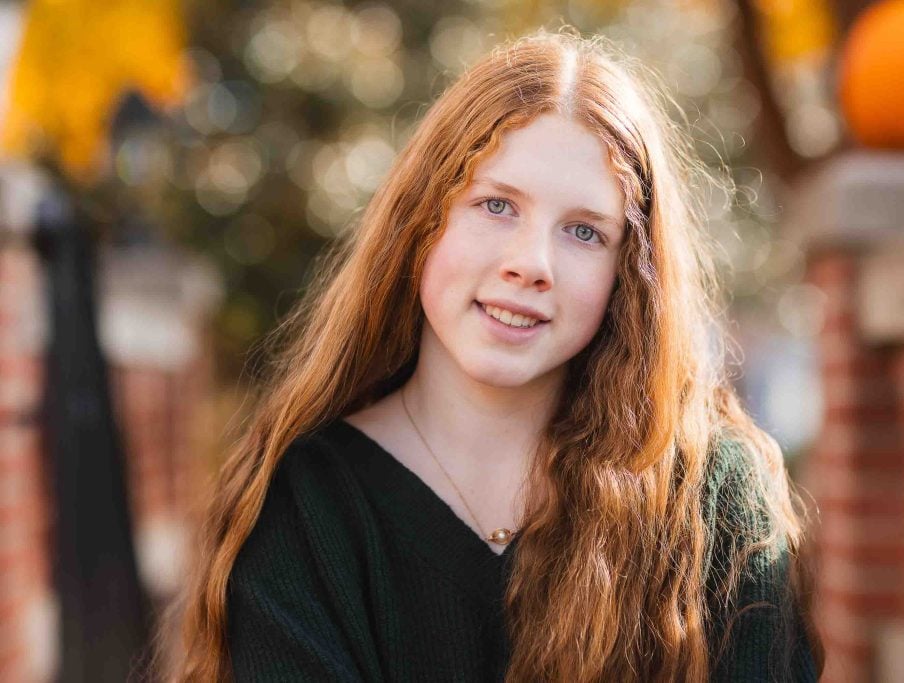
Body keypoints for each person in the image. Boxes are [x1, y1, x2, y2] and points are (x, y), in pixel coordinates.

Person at [161, 28, 824, 682]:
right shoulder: (306, 506)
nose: (531, 264)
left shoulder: (713, 504)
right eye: (497, 204)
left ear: (630, 273)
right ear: (422, 219)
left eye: (584, 232)